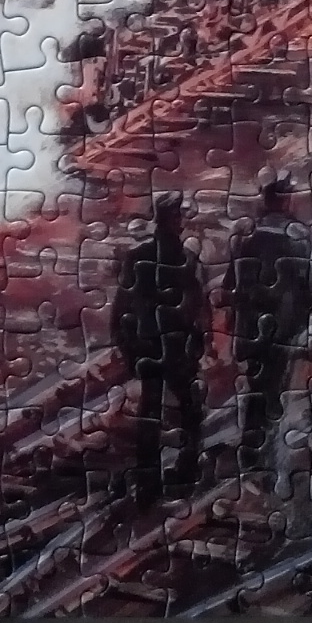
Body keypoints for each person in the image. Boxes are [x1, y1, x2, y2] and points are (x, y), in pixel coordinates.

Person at [224, 174, 312, 472]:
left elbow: (229, 287)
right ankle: (266, 460)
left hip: (250, 331)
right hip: (282, 330)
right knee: (273, 393)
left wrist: (236, 318)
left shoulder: (246, 237)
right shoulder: (296, 236)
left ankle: (250, 452)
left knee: (256, 389)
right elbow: (310, 286)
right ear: (284, 201)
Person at [113, 191, 209, 503]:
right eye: (178, 215)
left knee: (151, 414)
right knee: (190, 410)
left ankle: (149, 485)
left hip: (150, 346)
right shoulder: (186, 259)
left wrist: (127, 346)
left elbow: (121, 307)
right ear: (171, 219)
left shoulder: (138, 257)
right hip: (175, 347)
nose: (181, 221)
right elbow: (198, 307)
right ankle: (186, 472)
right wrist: (200, 341)